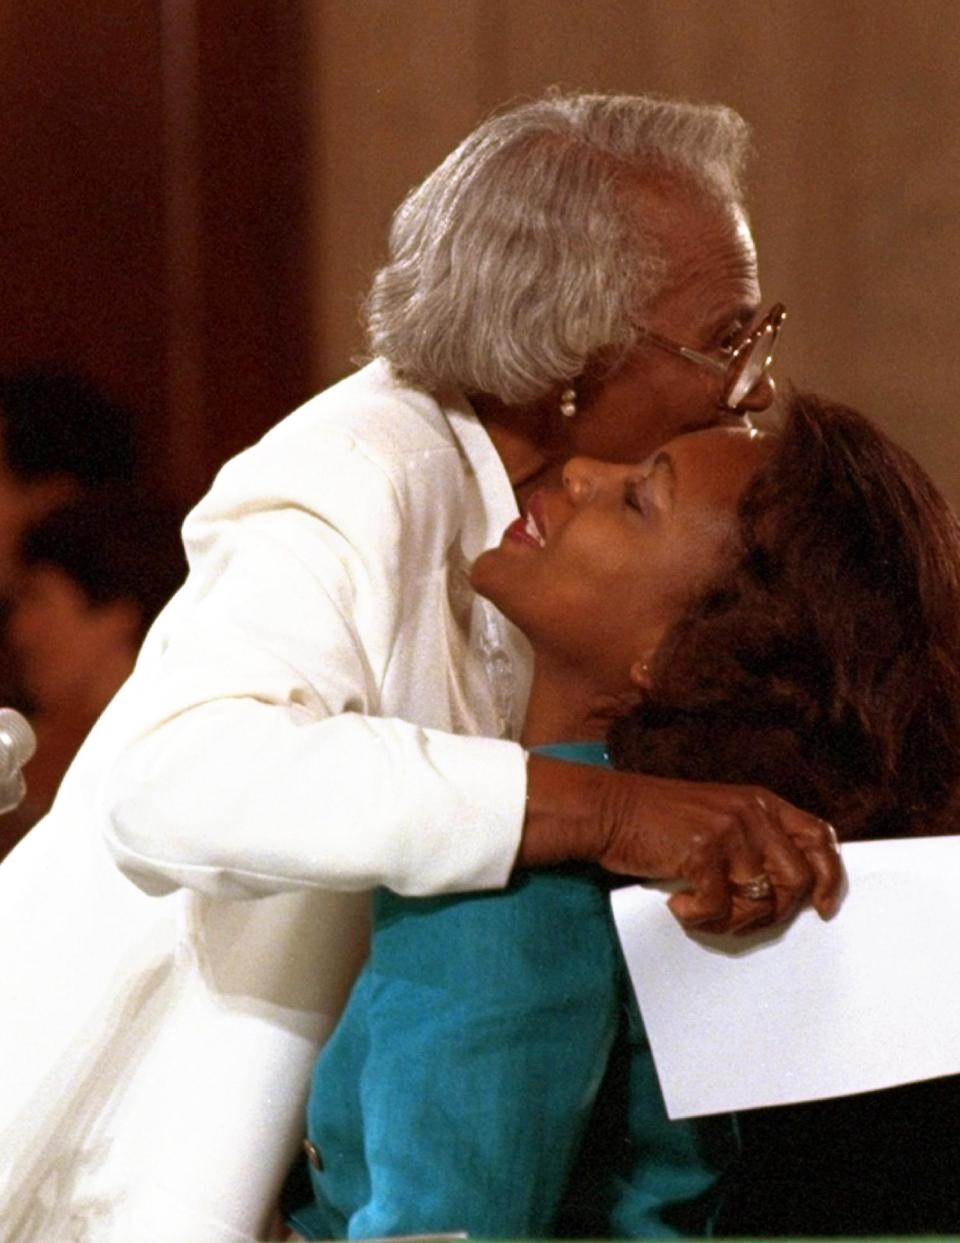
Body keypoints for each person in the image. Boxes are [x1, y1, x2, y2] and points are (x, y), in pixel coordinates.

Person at [0, 92, 838, 1243]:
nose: (752, 386)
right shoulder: (354, 473)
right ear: (579, 362)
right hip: (126, 1158)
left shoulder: (567, 528)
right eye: (727, 338)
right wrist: (603, 809)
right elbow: (176, 778)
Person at [285, 393, 960, 1240]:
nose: (579, 469)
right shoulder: (673, 861)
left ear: (678, 656)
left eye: (639, 499)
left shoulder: (512, 884)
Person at [0, 487, 185, 855]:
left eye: (39, 600)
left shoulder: (171, 752)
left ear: (116, 614)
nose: (19, 631)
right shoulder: (23, 751)